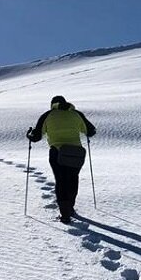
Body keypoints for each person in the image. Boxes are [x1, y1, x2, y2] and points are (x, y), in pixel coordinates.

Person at [26, 95, 96, 223]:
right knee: (73, 179)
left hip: (57, 152)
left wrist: (29, 135)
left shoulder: (48, 115)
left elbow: (36, 137)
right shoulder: (76, 114)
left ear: (53, 104)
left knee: (61, 180)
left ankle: (65, 214)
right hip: (76, 153)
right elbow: (90, 131)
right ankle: (70, 207)